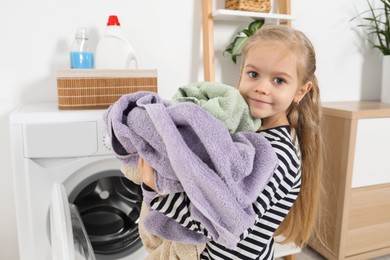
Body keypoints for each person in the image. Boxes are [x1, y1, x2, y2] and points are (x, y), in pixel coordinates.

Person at [139, 24, 323, 260]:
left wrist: (160, 191)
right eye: (253, 74)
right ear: (241, 74)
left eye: (278, 80)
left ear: (301, 90)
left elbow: (227, 223)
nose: (261, 88)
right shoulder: (253, 134)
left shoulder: (276, 154)